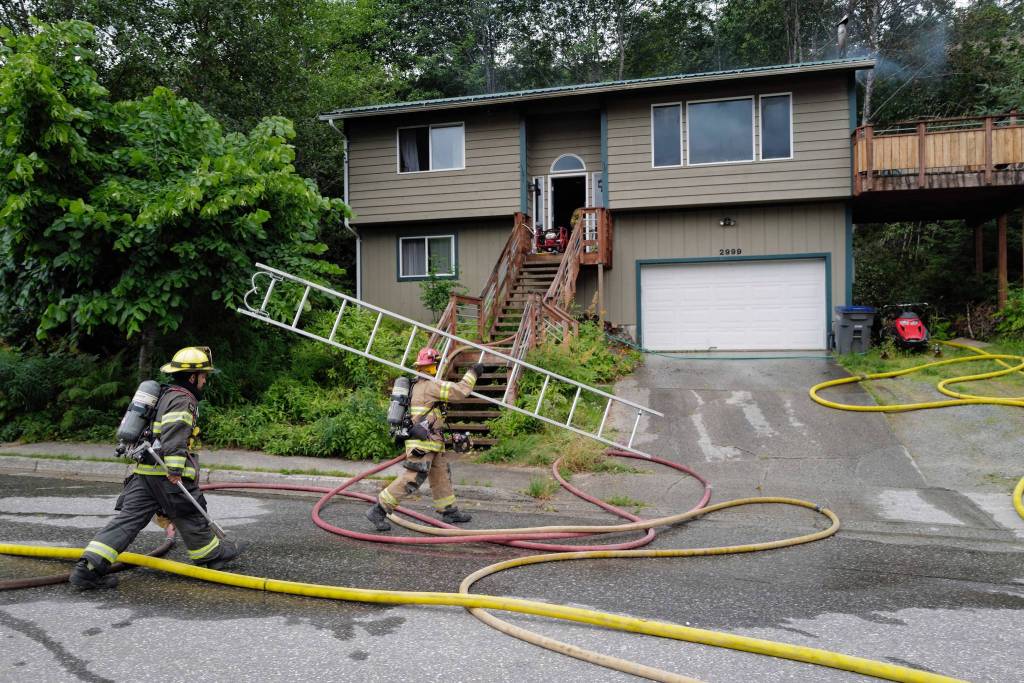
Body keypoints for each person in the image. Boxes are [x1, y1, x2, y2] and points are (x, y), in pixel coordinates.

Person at [69, 347, 248, 589]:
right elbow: (174, 436)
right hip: (165, 472)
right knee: (188, 510)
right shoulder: (183, 399)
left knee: (127, 521)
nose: (205, 380)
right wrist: (175, 471)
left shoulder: (164, 394)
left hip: (145, 472)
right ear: (192, 377)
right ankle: (211, 555)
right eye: (204, 376)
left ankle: (87, 569)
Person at [365, 347, 484, 531]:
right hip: (423, 443)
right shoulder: (431, 386)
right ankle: (379, 509)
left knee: (441, 474)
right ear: (433, 366)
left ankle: (449, 511)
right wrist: (473, 372)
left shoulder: (417, 385)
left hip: (431, 441)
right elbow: (460, 391)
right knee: (413, 478)